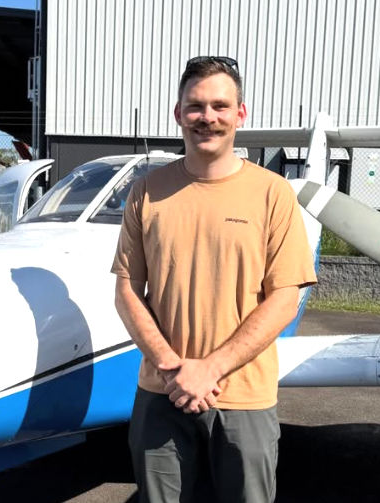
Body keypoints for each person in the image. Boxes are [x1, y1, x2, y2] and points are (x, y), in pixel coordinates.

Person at [111, 56, 318, 503]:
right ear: (178, 113)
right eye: (196, 106)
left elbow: (284, 297)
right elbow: (127, 290)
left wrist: (209, 369)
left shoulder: (273, 193)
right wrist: (174, 369)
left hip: (243, 395)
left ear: (241, 113)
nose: (208, 117)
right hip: (161, 392)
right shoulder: (146, 191)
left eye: (221, 106)